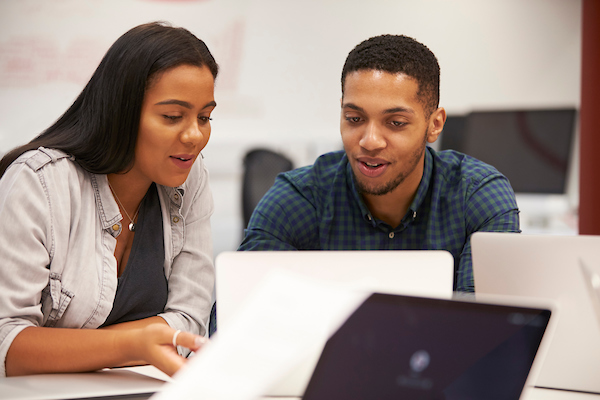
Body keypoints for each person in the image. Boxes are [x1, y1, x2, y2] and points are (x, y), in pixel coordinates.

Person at [0, 22, 218, 377]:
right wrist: (132, 345)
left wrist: (71, 349)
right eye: (172, 117)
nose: (195, 135)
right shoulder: (38, 183)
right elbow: (7, 342)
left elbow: (188, 324)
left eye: (205, 117)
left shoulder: (190, 176)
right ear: (122, 111)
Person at [239, 34, 520, 293]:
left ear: (435, 125)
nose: (370, 141)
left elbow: (488, 329)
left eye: (395, 123)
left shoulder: (477, 196)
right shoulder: (297, 199)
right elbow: (236, 319)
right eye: (354, 119)